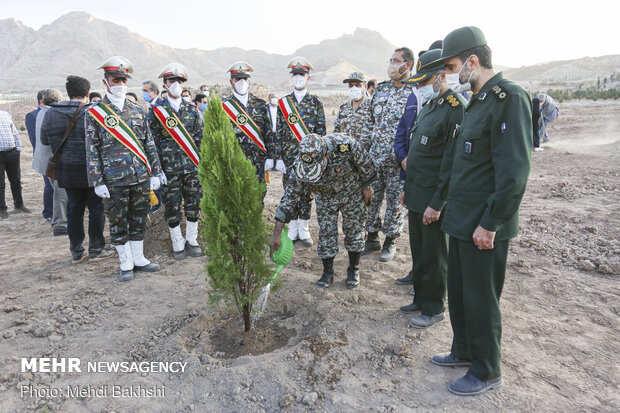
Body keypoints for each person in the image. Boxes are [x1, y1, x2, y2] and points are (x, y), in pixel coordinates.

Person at [431, 26, 532, 396]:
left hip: (484, 226)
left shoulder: (509, 98)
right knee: (458, 293)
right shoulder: (476, 101)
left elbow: (513, 172)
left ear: (473, 61)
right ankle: (463, 351)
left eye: (455, 65)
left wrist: (491, 223)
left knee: (480, 298)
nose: (451, 74)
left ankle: (487, 370)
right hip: (461, 221)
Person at [397, 49, 466, 328]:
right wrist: (407, 188)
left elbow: (452, 162)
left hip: (433, 200)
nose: (421, 88)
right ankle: (420, 298)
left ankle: (434, 306)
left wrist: (438, 202)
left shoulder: (455, 107)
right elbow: (418, 151)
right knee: (419, 251)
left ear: (441, 76)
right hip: (416, 194)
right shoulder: (430, 106)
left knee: (435, 254)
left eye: (425, 83)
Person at [85, 56, 163, 281]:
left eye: (123, 79)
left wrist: (155, 172)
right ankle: (125, 263)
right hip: (113, 180)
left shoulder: (138, 110)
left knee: (139, 218)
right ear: (105, 82)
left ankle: (139, 258)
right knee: (119, 222)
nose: (120, 83)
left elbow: (149, 143)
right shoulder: (95, 113)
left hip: (139, 176)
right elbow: (92, 150)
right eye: (115, 79)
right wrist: (97, 181)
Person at [269, 133, 375, 289]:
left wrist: (367, 186)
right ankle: (327, 272)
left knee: (354, 230)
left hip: (351, 192)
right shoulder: (300, 164)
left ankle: (353, 269)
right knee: (326, 232)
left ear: (326, 154)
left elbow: (366, 163)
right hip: (325, 197)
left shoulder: (344, 145)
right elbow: (289, 198)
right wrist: (276, 233)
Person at [41, 75, 114, 263]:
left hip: (66, 170)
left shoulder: (50, 113)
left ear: (68, 93)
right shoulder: (94, 112)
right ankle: (96, 249)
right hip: (93, 170)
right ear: (88, 93)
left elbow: (44, 140)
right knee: (96, 209)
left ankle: (76, 251)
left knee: (74, 209)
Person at [360, 47, 415, 262]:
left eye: (396, 60)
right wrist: (364, 153)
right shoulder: (381, 89)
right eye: (390, 60)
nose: (391, 64)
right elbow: (370, 122)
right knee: (371, 200)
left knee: (394, 203)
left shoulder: (416, 91)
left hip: (398, 161)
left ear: (408, 64)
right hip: (375, 159)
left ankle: (390, 240)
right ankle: (371, 237)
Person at [392, 42, 439, 285]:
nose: (421, 84)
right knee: (417, 236)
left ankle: (430, 285)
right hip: (411, 176)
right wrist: (402, 159)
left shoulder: (452, 105)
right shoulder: (415, 95)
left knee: (434, 241)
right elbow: (402, 132)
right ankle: (417, 273)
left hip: (432, 182)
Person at [148, 62, 203, 260]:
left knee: (193, 202)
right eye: (172, 81)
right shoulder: (156, 111)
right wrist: (156, 170)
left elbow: (200, 138)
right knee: (172, 205)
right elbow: (151, 143)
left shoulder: (192, 110)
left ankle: (192, 239)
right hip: (168, 169)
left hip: (192, 167)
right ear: (164, 84)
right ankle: (177, 241)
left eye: (179, 81)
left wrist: (202, 164)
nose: (176, 84)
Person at [275, 56, 326, 247]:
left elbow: (321, 133)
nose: (298, 78)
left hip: (309, 159)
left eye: (302, 75)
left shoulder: (316, 103)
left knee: (307, 192)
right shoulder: (283, 103)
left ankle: (304, 230)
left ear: (308, 78)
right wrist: (278, 156)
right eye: (295, 75)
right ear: (291, 78)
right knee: (289, 192)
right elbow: (278, 131)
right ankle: (293, 229)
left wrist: (320, 158)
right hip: (289, 158)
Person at [222, 62, 278, 188]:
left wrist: (271, 157)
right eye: (238, 78)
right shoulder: (224, 107)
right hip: (234, 163)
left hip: (258, 162)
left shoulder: (260, 105)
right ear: (232, 82)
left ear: (249, 81)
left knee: (257, 201)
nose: (242, 82)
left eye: (245, 78)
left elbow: (268, 133)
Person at [34, 89, 68, 235]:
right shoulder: (52, 114)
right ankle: (60, 225)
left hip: (44, 160)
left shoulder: (42, 112)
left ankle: (57, 220)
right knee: (60, 193)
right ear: (59, 101)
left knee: (57, 191)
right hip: (52, 161)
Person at [25, 90, 53, 221]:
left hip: (57, 156)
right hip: (44, 156)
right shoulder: (32, 115)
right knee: (49, 185)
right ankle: (49, 213)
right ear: (41, 101)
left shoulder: (54, 113)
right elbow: (34, 139)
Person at [0, 110, 30, 219]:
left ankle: (19, 205)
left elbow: (14, 132)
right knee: (0, 184)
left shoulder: (5, 114)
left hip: (12, 152)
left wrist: (18, 149)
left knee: (16, 180)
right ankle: (2, 209)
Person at [334, 72, 372, 140]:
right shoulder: (343, 108)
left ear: (365, 86)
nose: (354, 88)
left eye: (358, 85)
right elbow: (336, 131)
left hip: (365, 149)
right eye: (351, 85)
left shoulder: (372, 106)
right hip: (345, 149)